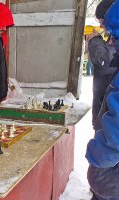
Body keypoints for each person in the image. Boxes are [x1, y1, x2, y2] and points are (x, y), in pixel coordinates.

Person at [86, 0, 119, 199]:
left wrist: (96, 158)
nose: (101, 27)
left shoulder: (105, 45)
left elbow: (115, 131)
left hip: (111, 163)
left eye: (105, 25)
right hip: (104, 116)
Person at [88, 0, 117, 130]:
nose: (101, 26)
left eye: (102, 21)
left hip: (109, 123)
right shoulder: (112, 38)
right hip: (104, 112)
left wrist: (95, 41)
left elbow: (104, 62)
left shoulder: (114, 41)